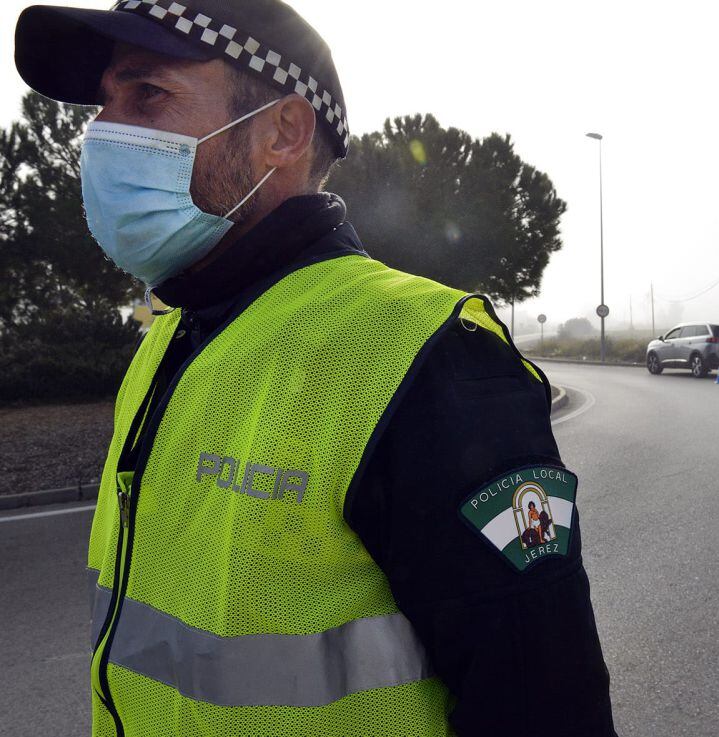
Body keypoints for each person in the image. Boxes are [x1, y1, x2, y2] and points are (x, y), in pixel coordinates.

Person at [14, 2, 618, 735]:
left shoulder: (429, 357)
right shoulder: (167, 341)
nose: (104, 133)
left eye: (147, 94)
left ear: (282, 133)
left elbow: (547, 709)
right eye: (104, 104)